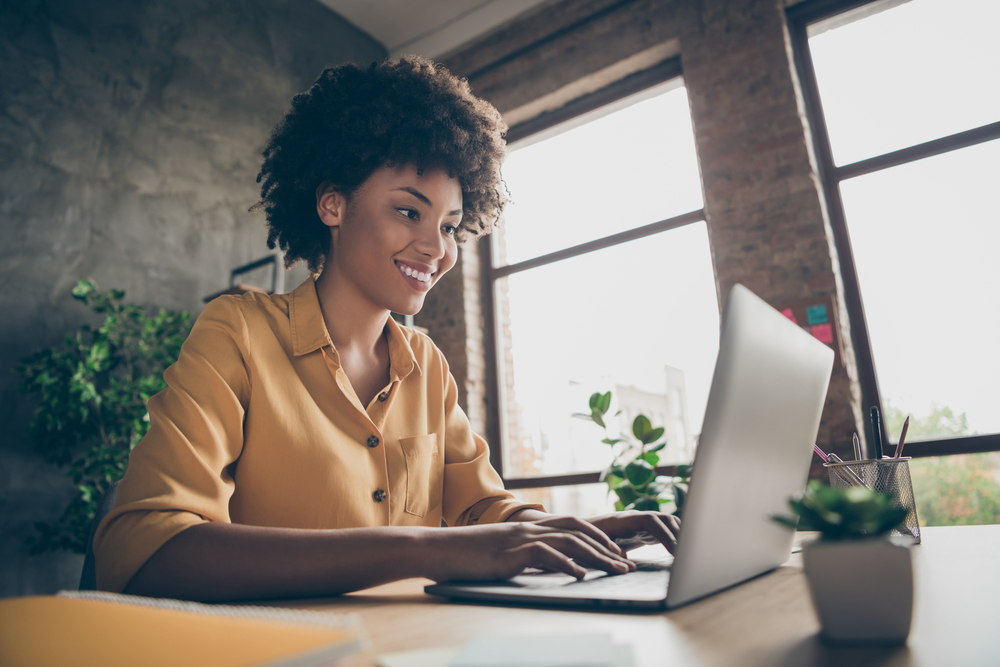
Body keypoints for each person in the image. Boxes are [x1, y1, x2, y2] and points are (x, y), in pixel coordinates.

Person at [93, 57, 680, 602]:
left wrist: (569, 530)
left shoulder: (425, 364)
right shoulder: (238, 333)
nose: (436, 248)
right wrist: (425, 548)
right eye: (409, 211)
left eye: (450, 226)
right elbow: (146, 550)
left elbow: (480, 509)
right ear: (332, 206)